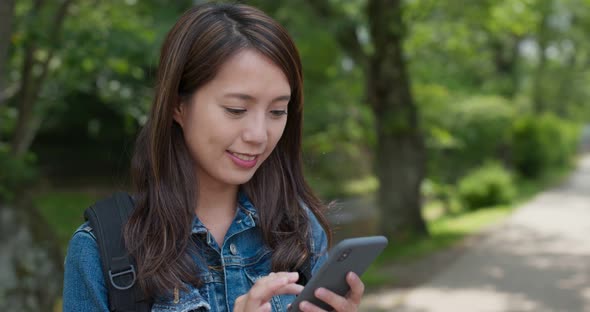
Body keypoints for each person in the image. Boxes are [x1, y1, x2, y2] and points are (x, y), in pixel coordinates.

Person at [62, 3, 365, 312]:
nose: (259, 135)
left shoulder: (299, 229)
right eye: (236, 109)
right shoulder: (103, 250)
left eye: (277, 111)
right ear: (177, 106)